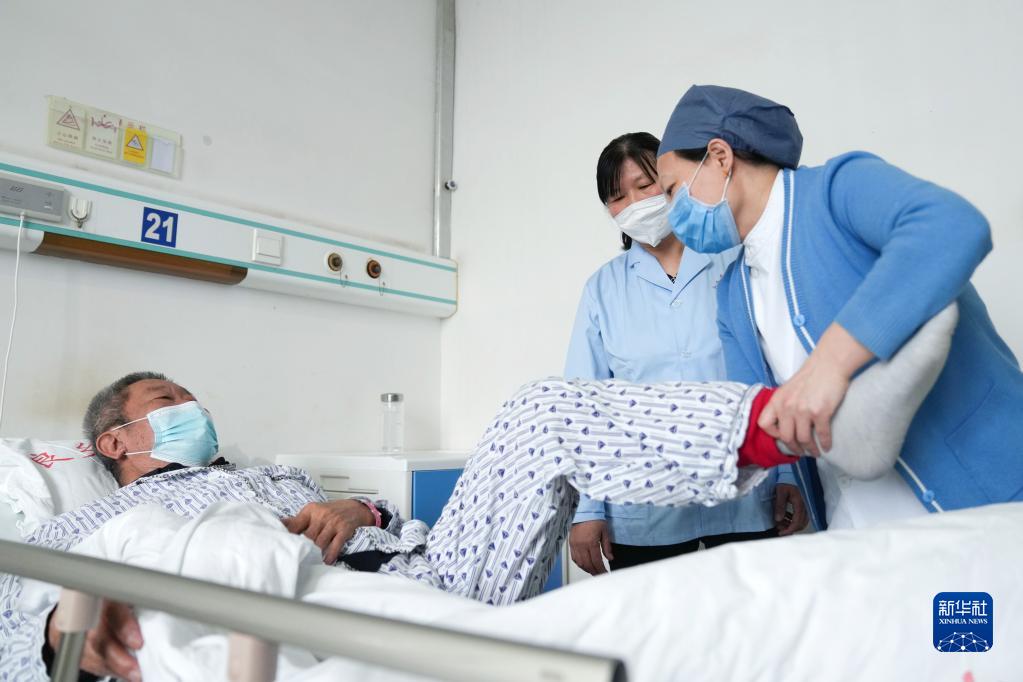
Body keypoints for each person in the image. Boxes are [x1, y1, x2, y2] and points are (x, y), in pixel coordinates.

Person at [2, 330, 954, 680]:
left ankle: (800, 424)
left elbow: (391, 527)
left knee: (540, 409)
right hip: (293, 618)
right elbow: (19, 600)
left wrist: (361, 514)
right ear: (114, 443)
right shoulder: (88, 523)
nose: (192, 407)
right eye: (167, 401)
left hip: (427, 576)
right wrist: (54, 628)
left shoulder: (274, 478)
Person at [655, 84, 1023, 529]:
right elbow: (757, 414)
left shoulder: (835, 189)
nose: (673, 214)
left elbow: (952, 227)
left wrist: (829, 364)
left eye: (673, 191)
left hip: (982, 495)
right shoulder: (733, 295)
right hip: (861, 527)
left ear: (719, 157)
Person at [566, 133, 806, 577]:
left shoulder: (735, 260)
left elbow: (774, 371)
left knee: (748, 615)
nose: (635, 203)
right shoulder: (603, 289)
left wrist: (790, 474)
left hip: (741, 492)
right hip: (644, 505)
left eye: (645, 185)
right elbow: (585, 406)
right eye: (617, 197)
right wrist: (588, 508)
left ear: (672, 179)